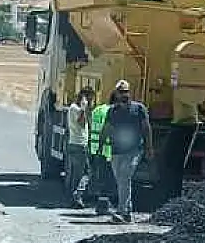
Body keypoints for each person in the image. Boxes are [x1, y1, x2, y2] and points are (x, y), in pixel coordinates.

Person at [98, 79, 153, 223]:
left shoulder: (139, 109)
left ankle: (123, 211)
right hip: (116, 152)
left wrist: (149, 147)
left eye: (126, 92)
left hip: (134, 150)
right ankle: (127, 213)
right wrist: (100, 146)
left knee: (124, 177)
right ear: (116, 94)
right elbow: (106, 129)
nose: (124, 95)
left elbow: (146, 128)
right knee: (121, 181)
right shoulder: (112, 111)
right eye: (121, 92)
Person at [87, 86, 117, 215]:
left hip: (95, 149)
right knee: (108, 179)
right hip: (108, 150)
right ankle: (103, 205)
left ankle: (100, 203)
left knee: (99, 177)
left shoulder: (98, 109)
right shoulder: (112, 112)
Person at [65, 87, 90, 208]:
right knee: (84, 173)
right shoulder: (75, 109)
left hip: (75, 144)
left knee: (75, 174)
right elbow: (81, 122)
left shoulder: (74, 109)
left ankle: (73, 198)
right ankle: (77, 196)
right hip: (79, 145)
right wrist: (84, 109)